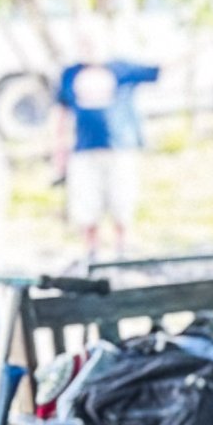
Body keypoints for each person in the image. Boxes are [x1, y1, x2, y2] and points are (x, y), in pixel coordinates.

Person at [52, 45, 161, 264]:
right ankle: (92, 251)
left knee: (122, 198)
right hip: (84, 150)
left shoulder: (120, 68)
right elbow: (60, 113)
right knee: (86, 202)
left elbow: (158, 71)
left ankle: (123, 248)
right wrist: (58, 150)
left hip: (119, 147)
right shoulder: (70, 74)